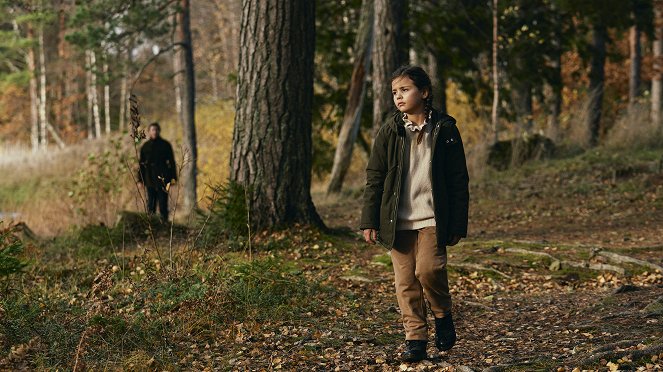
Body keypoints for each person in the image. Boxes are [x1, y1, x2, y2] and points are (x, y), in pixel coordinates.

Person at [359, 65, 469, 362]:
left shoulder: (445, 129)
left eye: (405, 90)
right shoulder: (390, 130)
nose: (398, 96)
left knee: (429, 269)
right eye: (394, 92)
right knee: (405, 282)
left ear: (424, 92)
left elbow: (459, 179)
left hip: (433, 217)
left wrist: (458, 222)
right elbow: (375, 176)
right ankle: (415, 339)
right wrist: (369, 220)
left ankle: (443, 314)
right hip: (397, 220)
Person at [136, 122, 177, 222]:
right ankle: (152, 225)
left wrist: (173, 178)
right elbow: (141, 164)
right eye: (152, 130)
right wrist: (140, 180)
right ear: (149, 132)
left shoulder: (165, 145)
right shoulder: (145, 147)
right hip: (149, 178)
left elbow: (171, 162)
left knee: (163, 204)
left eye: (156, 130)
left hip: (164, 178)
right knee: (151, 204)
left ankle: (165, 225)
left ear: (159, 131)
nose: (154, 132)